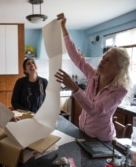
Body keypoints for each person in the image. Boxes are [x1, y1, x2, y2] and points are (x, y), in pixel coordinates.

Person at [55, 13, 130, 141]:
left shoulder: (119, 91)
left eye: (108, 61)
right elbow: (76, 56)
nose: (102, 61)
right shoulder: (94, 75)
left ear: (118, 69)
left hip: (102, 141)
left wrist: (74, 87)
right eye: (103, 58)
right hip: (83, 133)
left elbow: (95, 111)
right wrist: (64, 28)